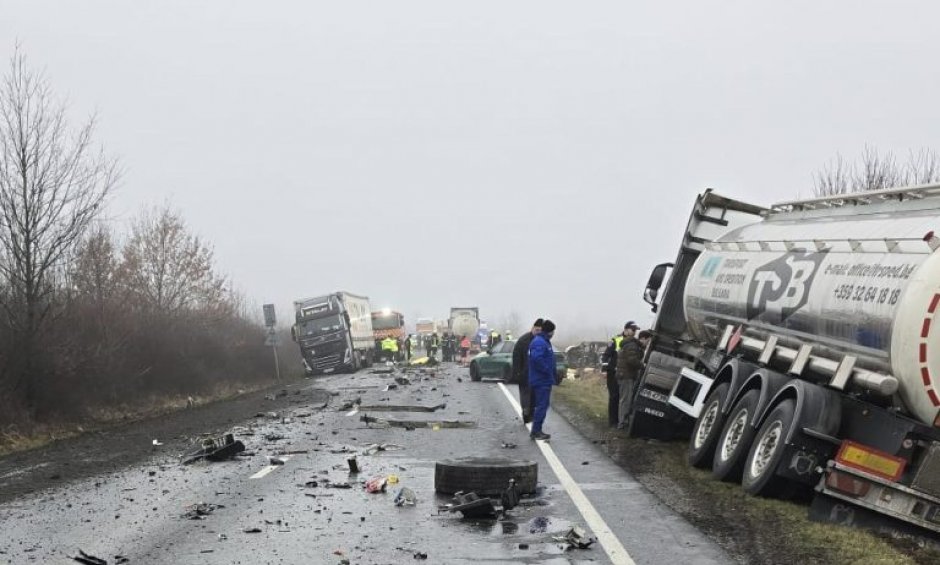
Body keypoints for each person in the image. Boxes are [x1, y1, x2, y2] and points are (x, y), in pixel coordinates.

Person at [616, 325, 650, 430]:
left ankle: (623, 422)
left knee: (625, 399)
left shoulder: (633, 345)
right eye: (648, 341)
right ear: (643, 339)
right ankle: (622, 424)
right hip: (626, 376)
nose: (648, 343)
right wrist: (643, 365)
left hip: (625, 375)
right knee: (625, 400)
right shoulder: (632, 345)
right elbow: (632, 360)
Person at [528, 319, 557, 441]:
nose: (553, 333)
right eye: (553, 331)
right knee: (542, 406)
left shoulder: (544, 341)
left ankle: (537, 430)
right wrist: (547, 370)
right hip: (541, 380)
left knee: (542, 405)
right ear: (549, 331)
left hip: (544, 379)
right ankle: (536, 431)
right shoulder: (540, 342)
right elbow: (537, 359)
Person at [602, 322, 635, 427]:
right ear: (626, 330)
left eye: (635, 330)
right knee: (614, 396)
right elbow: (606, 356)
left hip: (623, 374)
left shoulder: (633, 342)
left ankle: (621, 420)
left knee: (622, 397)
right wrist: (606, 369)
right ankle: (613, 421)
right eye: (632, 329)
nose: (634, 332)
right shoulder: (616, 340)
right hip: (613, 373)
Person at [512, 318, 543, 424]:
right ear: (533, 329)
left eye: (540, 330)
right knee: (525, 394)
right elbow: (516, 357)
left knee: (534, 396)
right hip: (524, 373)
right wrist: (517, 372)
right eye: (537, 330)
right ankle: (526, 412)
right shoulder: (523, 340)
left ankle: (531, 414)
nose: (538, 332)